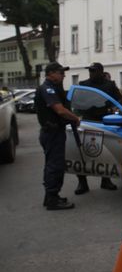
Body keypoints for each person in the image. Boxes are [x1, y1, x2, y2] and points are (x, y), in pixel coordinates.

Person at [35, 62, 79, 210]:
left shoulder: (53, 88)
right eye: (61, 73)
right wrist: (75, 118)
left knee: (52, 165)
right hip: (52, 132)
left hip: (53, 132)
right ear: (51, 73)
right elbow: (60, 110)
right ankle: (53, 199)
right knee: (55, 166)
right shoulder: (48, 88)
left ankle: (50, 197)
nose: (63, 75)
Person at [75, 62, 122, 194]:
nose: (91, 73)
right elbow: (77, 102)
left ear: (101, 72)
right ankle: (82, 183)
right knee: (83, 154)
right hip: (87, 121)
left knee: (105, 152)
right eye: (90, 71)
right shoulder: (83, 85)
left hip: (104, 121)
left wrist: (114, 108)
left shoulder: (110, 85)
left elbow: (120, 99)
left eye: (94, 71)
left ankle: (106, 180)